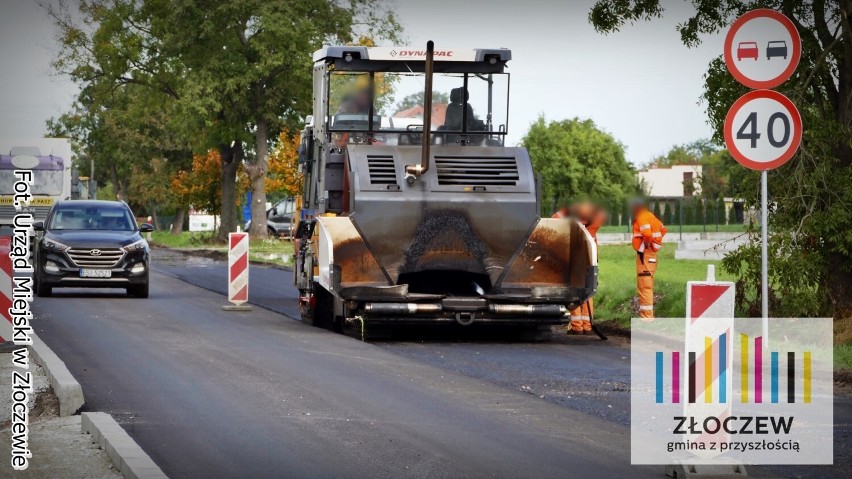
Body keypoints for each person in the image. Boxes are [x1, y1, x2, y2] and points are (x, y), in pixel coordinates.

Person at [553, 202, 607, 334]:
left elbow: (555, 218)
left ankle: (577, 326)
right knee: (588, 291)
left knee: (574, 290)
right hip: (590, 259)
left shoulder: (573, 222)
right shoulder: (594, 224)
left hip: (575, 259)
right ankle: (587, 326)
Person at [631, 198, 666, 322]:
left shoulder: (641, 217)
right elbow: (663, 229)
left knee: (645, 287)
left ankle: (647, 319)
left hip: (645, 256)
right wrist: (655, 245)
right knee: (647, 286)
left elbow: (647, 234)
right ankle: (647, 317)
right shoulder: (650, 216)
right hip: (650, 256)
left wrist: (646, 245)